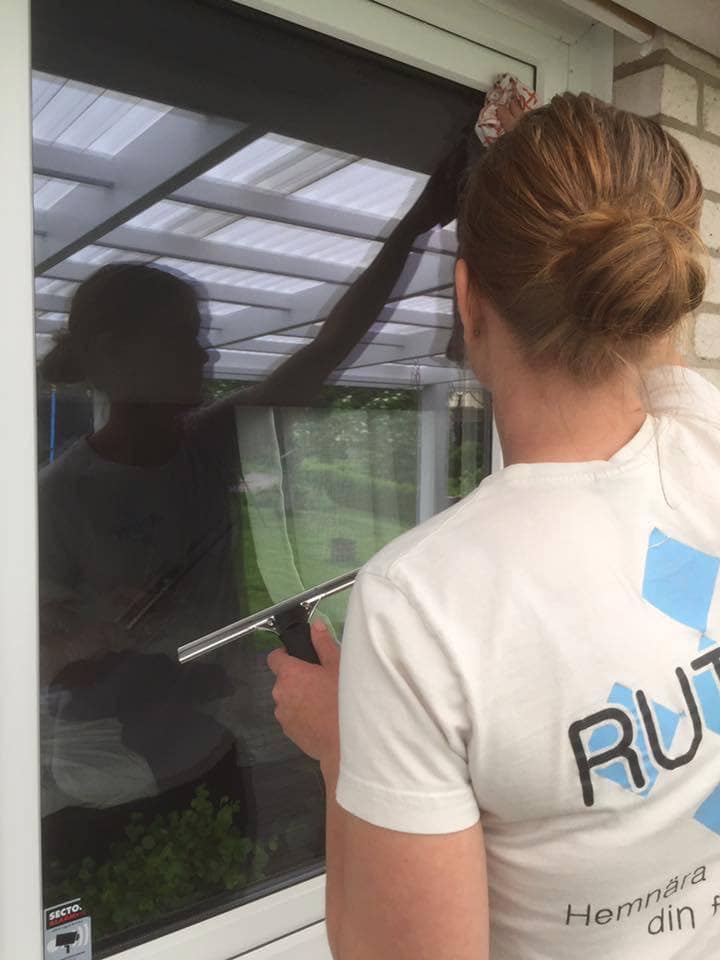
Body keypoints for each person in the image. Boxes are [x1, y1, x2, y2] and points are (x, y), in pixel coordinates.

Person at [268, 91, 720, 960]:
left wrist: (341, 746)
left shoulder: (425, 602)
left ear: (466, 300)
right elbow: (649, 365)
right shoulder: (703, 443)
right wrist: (565, 186)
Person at [37, 136, 469, 867]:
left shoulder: (204, 446)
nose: (205, 355)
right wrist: (97, 636)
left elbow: (326, 352)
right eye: (184, 339)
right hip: (103, 790)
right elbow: (36, 660)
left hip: (209, 755)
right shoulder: (56, 500)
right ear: (116, 355)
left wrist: (415, 226)